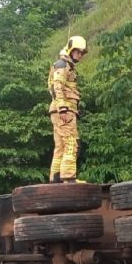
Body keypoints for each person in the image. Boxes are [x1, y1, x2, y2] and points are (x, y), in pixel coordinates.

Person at [47, 35, 87, 183]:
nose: (80, 55)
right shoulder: (62, 65)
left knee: (61, 146)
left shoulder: (66, 66)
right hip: (64, 110)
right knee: (71, 143)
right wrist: (63, 109)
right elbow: (57, 86)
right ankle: (69, 178)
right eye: (78, 52)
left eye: (82, 52)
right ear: (70, 50)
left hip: (61, 110)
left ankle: (55, 179)